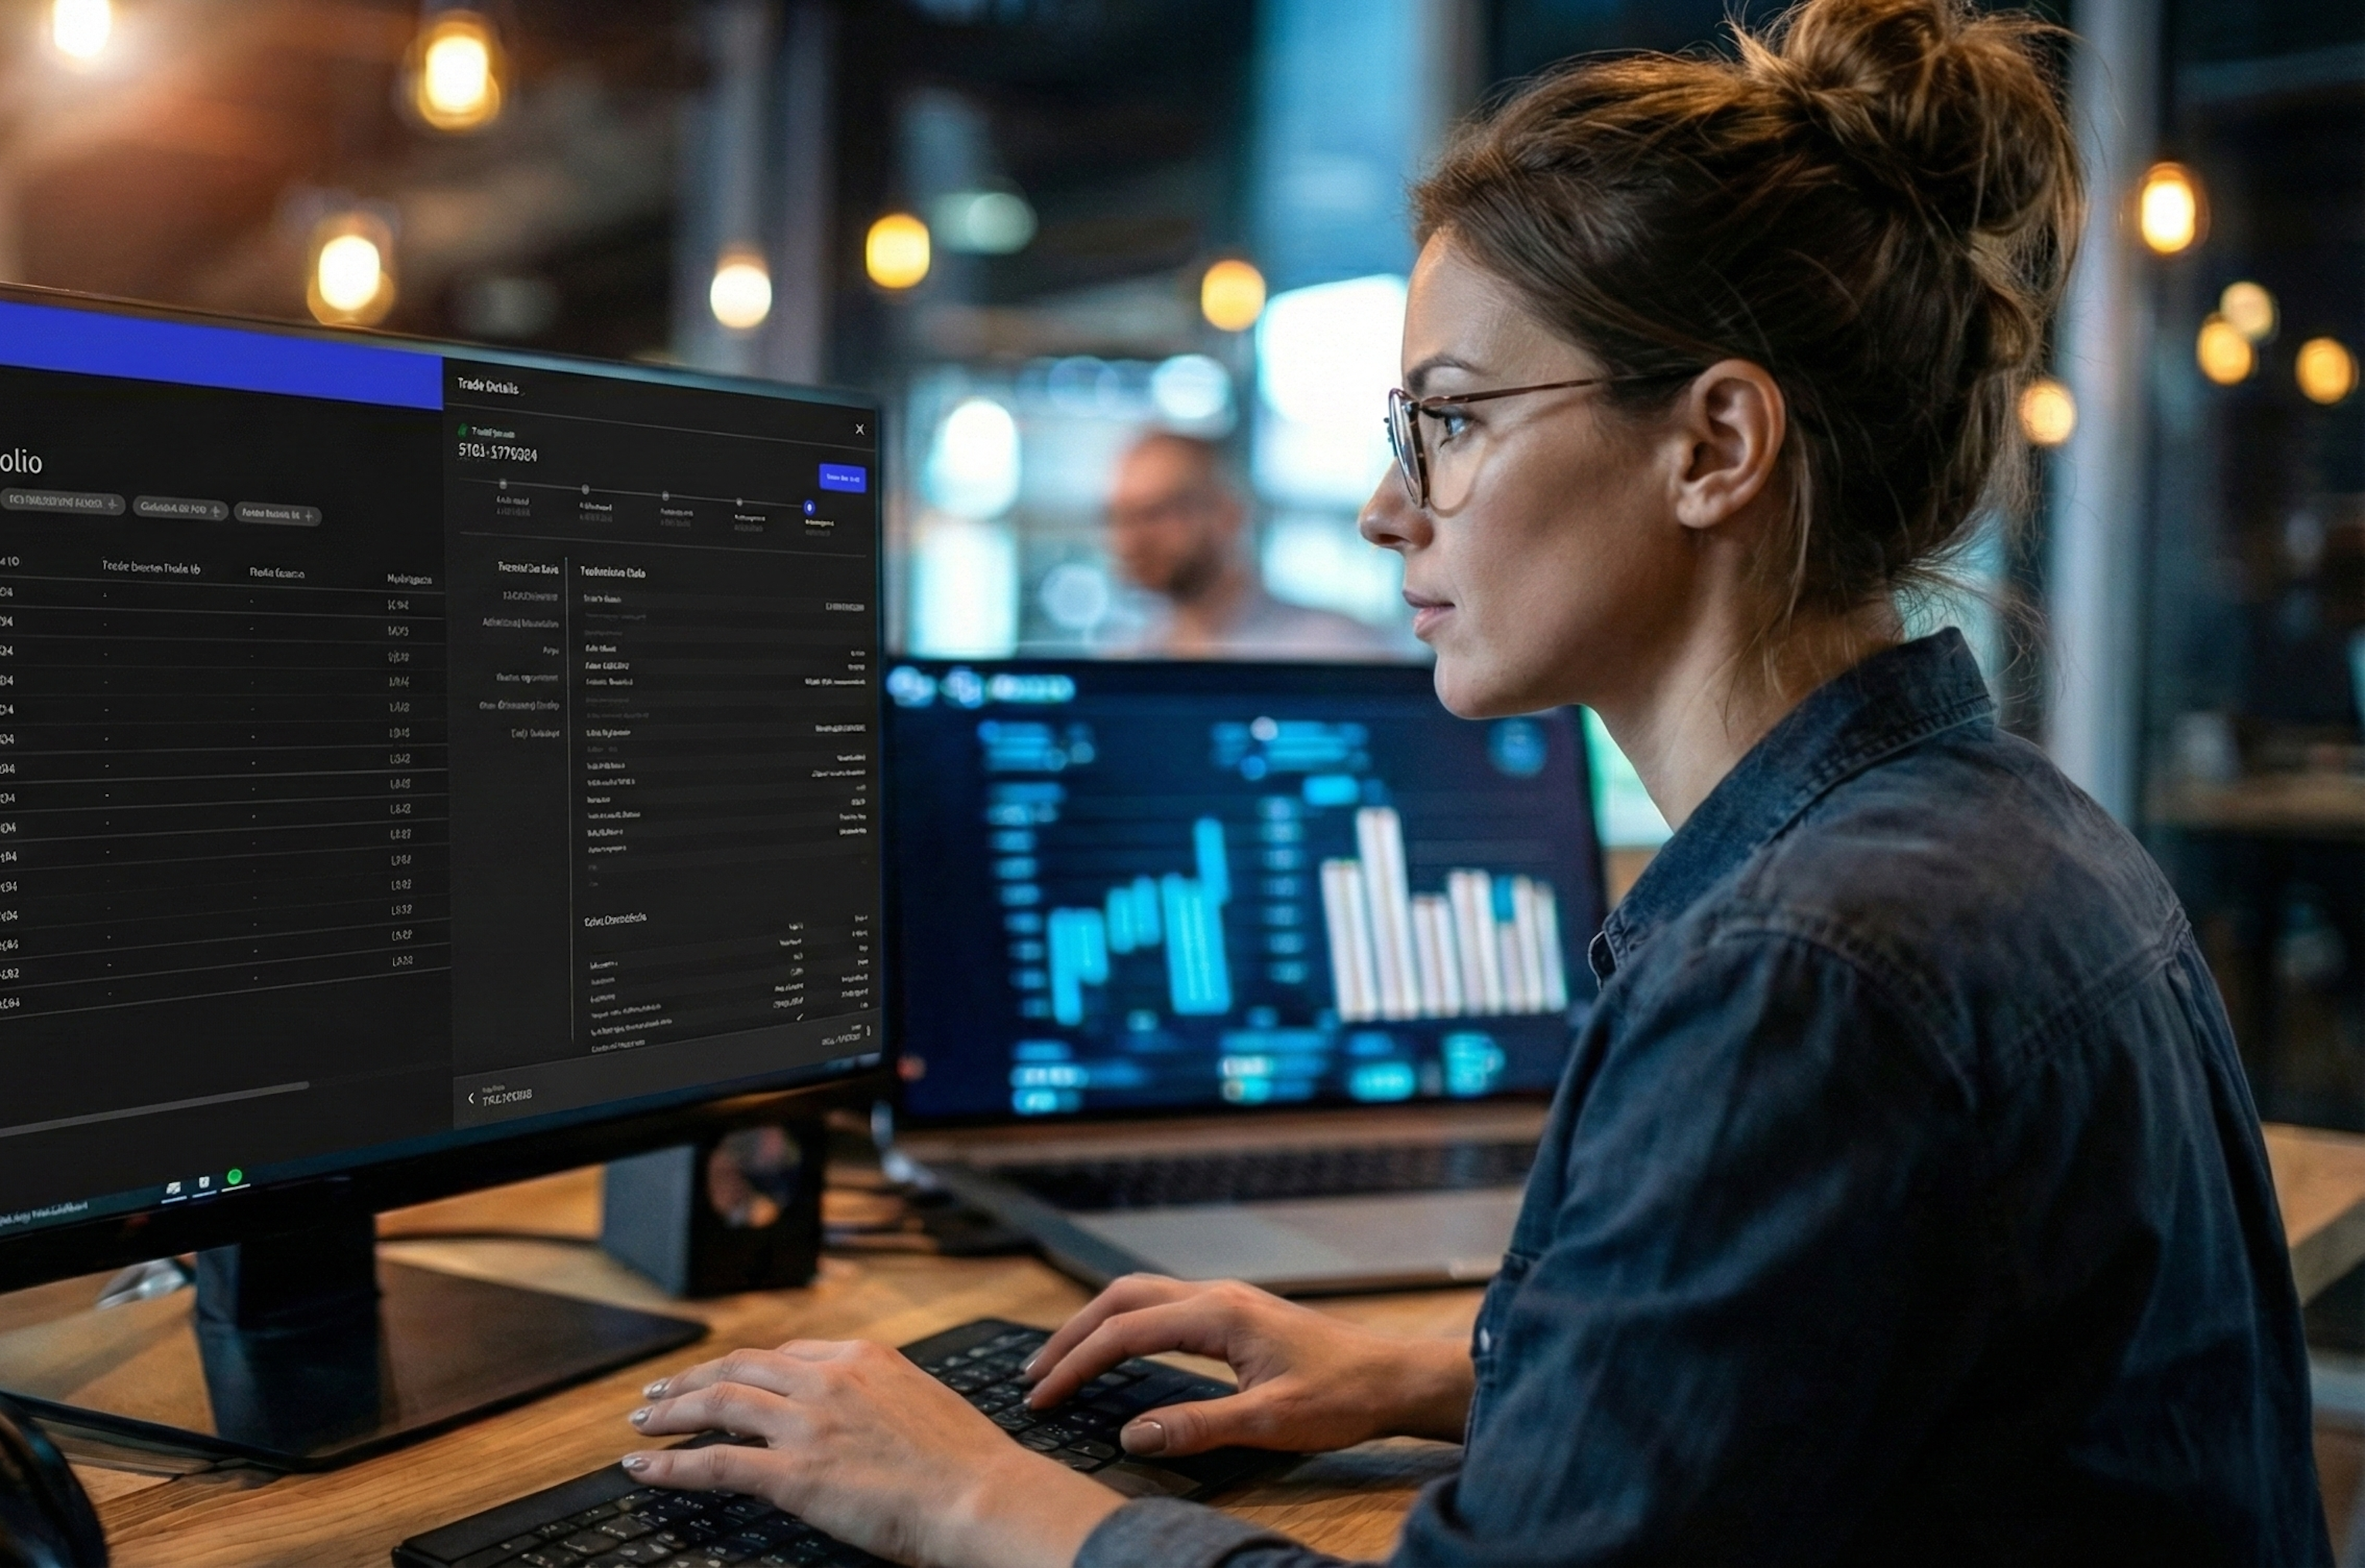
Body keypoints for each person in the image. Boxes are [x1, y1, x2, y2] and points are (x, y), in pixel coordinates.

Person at [610, 0, 2330, 1561]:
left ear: (1715, 447)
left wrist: (974, 1493)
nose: (1389, 509)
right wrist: (1449, 1372)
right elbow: (1874, 1377)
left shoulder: (1800, 967)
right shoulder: (2016, 831)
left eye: (1450, 420)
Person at [1101, 431, 1414, 660]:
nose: (1129, 540)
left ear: (1228, 514)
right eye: (1120, 518)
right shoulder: (1129, 663)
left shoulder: (1344, 654)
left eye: (1155, 514)